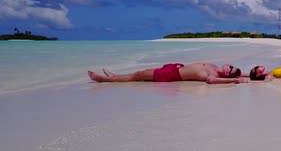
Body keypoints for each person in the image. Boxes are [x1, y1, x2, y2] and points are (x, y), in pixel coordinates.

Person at [87, 62, 248, 85]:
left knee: (138, 76)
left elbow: (211, 82)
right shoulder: (214, 66)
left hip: (170, 76)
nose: (229, 67)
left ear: (227, 74)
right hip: (173, 68)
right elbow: (244, 74)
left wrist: (234, 80)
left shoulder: (213, 76)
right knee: (138, 73)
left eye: (230, 71)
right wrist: (245, 75)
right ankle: (114, 75)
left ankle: (105, 80)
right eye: (232, 66)